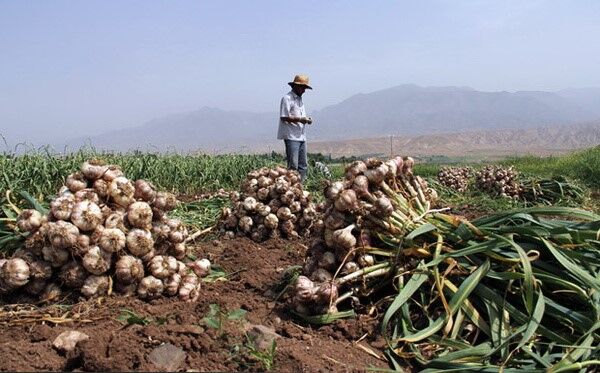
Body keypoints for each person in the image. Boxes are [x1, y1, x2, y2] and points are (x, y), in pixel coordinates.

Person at [278, 74, 313, 183]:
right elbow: (284, 117)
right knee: (293, 166)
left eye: (305, 88)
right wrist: (300, 119)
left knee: (303, 165)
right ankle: (291, 189)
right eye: (302, 87)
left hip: (301, 136)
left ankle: (301, 187)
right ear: (296, 86)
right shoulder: (287, 98)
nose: (304, 90)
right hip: (291, 136)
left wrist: (306, 120)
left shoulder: (299, 100)